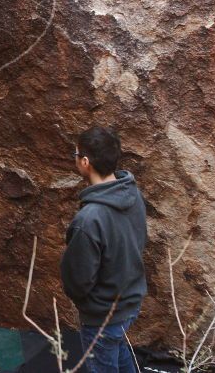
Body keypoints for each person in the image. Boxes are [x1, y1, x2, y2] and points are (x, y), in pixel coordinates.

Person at [60, 126, 148, 373]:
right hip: (130, 302)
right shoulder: (132, 192)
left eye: (76, 154)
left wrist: (88, 304)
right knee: (118, 350)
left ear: (85, 162)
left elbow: (78, 282)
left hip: (102, 316)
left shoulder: (89, 220)